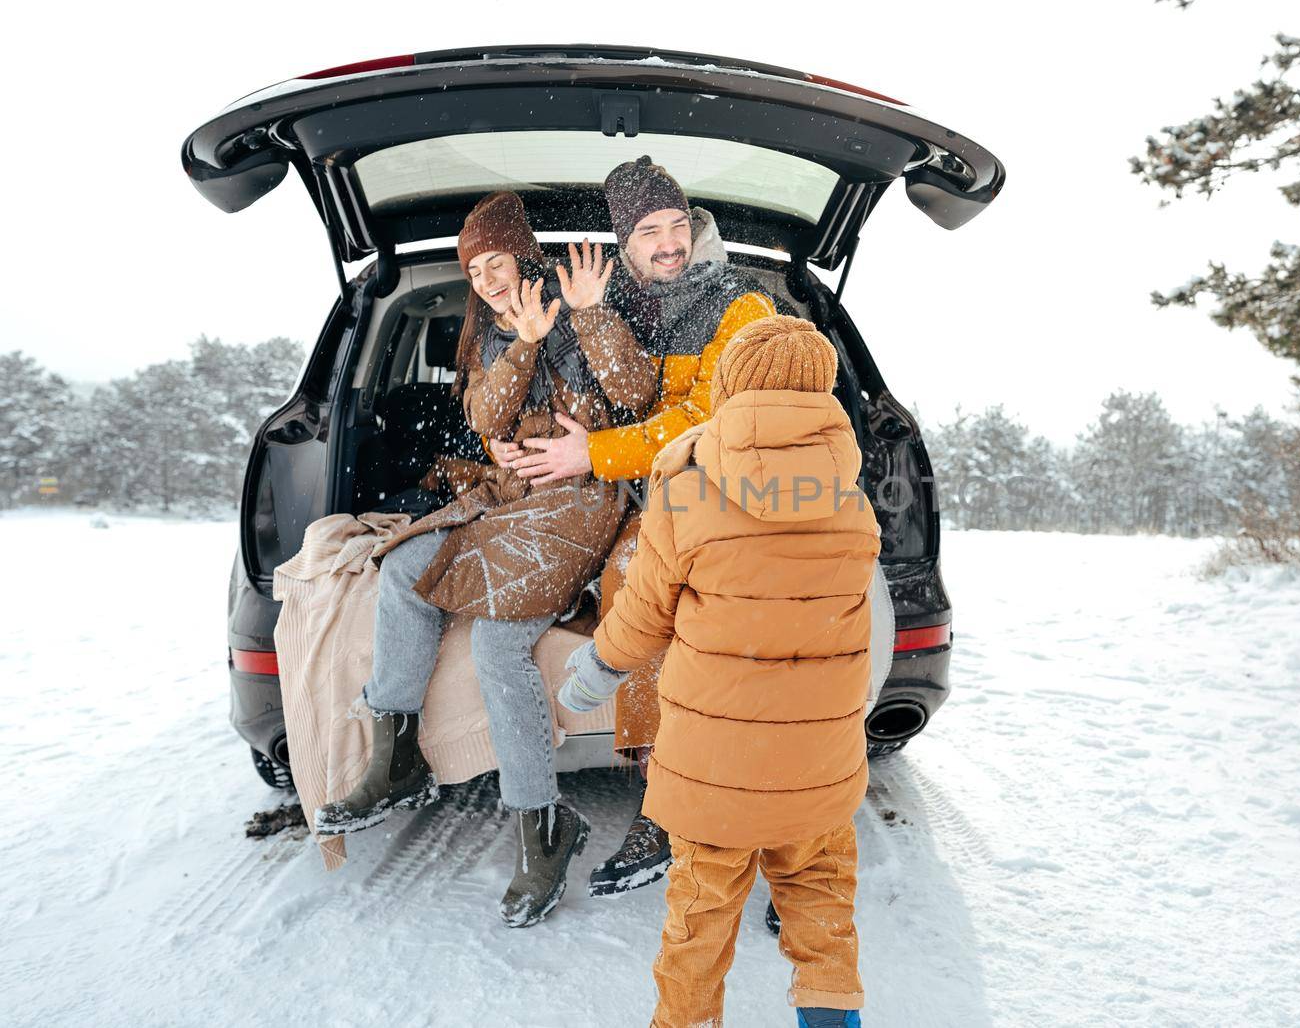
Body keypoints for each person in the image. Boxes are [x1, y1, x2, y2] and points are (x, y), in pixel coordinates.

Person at [313, 190, 657, 928]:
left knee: (501, 641)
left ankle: (542, 824)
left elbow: (636, 394)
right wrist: (522, 346)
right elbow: (483, 419)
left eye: (497, 262)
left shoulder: (583, 306)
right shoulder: (491, 334)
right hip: (507, 495)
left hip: (582, 499)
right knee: (403, 566)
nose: (489, 281)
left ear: (522, 253)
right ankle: (396, 755)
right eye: (476, 272)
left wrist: (584, 317)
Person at [558, 315, 880, 1028]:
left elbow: (644, 613)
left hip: (713, 778)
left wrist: (594, 670)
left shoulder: (685, 492)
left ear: (730, 385)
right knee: (823, 921)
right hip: (818, 773)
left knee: (697, 931)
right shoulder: (855, 508)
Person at [487, 156, 779, 897]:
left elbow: (702, 418)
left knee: (725, 620)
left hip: (732, 494)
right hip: (652, 502)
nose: (670, 242)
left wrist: (596, 452)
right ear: (627, 243)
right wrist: (525, 440)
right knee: (629, 586)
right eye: (650, 231)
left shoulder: (742, 303)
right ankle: (662, 798)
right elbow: (597, 392)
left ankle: (781, 836)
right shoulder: (622, 302)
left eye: (679, 225)